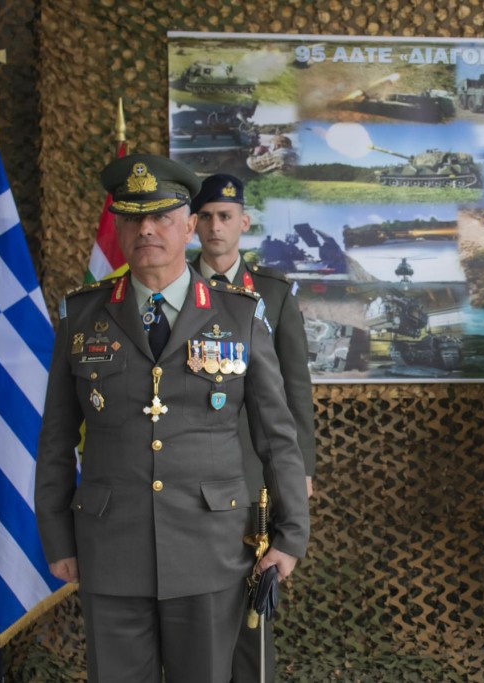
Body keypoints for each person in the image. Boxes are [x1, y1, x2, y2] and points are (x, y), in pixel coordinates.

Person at [35, 154, 309, 683]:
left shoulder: (241, 313)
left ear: (189, 226)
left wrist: (291, 534)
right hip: (110, 547)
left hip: (210, 548)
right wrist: (57, 536)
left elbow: (277, 436)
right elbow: (56, 437)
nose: (146, 230)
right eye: (133, 218)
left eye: (161, 217)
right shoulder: (81, 315)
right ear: (118, 229)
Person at [189, 173, 316, 683]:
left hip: (256, 466)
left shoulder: (272, 293)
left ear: (244, 222)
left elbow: (295, 387)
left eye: (225, 216)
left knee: (252, 596)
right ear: (192, 223)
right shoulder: (176, 288)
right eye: (205, 216)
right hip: (191, 464)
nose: (215, 227)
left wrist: (301, 470)